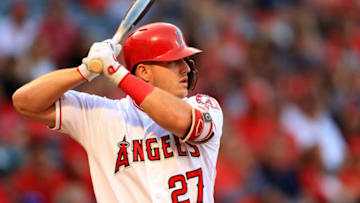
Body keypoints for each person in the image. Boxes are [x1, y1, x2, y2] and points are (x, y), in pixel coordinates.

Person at [12, 22, 223, 203]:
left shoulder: (205, 105)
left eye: (185, 61)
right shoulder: (102, 114)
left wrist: (114, 70)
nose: (185, 68)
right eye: (174, 62)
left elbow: (180, 119)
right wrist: (85, 71)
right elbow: (25, 102)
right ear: (144, 72)